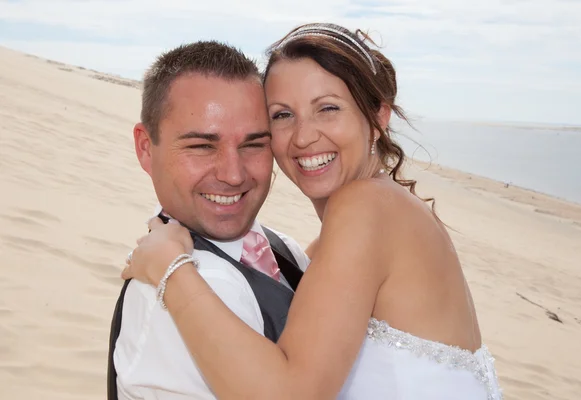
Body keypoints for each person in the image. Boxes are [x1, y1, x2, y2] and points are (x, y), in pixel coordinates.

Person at [122, 23, 503, 399]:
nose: (304, 137)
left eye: (328, 109)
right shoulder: (335, 241)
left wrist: (170, 269)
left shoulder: (367, 208)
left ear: (378, 117)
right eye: (283, 115)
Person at [108, 41, 311, 400]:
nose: (233, 175)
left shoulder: (281, 249)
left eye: (253, 145)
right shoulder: (171, 306)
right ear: (145, 148)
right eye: (202, 146)